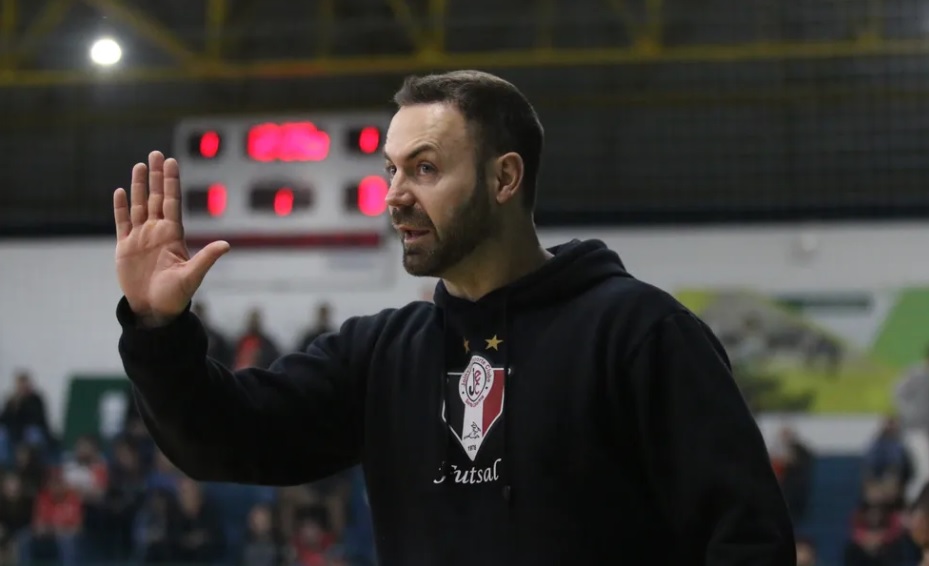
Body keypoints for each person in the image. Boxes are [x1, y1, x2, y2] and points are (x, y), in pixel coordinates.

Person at [112, 70, 794, 564]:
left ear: (504, 179)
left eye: (425, 169)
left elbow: (745, 539)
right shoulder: (380, 355)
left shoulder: (639, 334)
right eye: (390, 171)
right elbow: (218, 438)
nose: (394, 197)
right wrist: (156, 327)